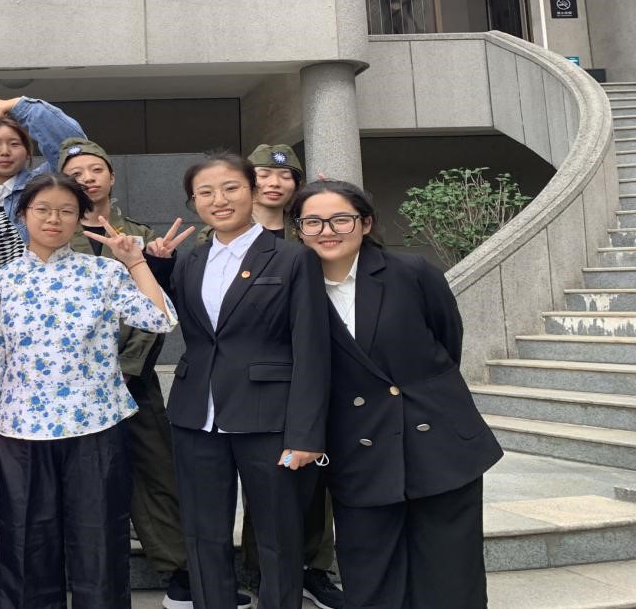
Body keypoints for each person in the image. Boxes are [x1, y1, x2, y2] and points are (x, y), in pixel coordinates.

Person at [289, 180, 503, 609]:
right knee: (371, 574)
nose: (327, 231)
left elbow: (447, 343)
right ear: (298, 229)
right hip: (358, 447)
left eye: (341, 219)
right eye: (312, 222)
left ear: (365, 223)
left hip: (438, 441)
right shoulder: (295, 287)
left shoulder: (411, 272)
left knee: (449, 574)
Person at [0, 172, 178, 609]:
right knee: (26, 543)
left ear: (79, 218)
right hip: (20, 430)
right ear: (22, 214)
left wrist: (135, 262)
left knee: (100, 539)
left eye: (66, 211)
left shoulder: (104, 273)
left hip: (96, 425)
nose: (54, 219)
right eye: (43, 210)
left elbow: (161, 319)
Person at [166, 152, 329, 609]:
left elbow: (312, 349)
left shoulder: (293, 257)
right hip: (196, 417)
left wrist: (305, 433)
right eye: (205, 192)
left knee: (278, 535)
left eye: (230, 188)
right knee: (203, 534)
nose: (219, 200)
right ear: (194, 202)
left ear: (253, 192)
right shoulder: (191, 261)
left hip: (269, 417)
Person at [58, 138, 197, 608]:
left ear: (112, 176)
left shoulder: (140, 236)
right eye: (76, 174)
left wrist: (125, 369)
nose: (88, 179)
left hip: (133, 380)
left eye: (96, 170)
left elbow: (155, 309)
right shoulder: (56, 236)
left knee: (156, 470)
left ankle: (179, 570)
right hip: (71, 388)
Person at [240, 144, 344, 609]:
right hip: (257, 378)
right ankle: (260, 568)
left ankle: (313, 567)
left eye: (285, 176)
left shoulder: (311, 233)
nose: (274, 183)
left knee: (315, 472)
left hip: (318, 361)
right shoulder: (223, 235)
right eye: (263, 174)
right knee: (263, 480)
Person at [0, 95, 85, 263]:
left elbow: (75, 147)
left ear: (28, 153)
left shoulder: (44, 182)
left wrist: (21, 106)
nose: (5, 152)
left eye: (14, 144)